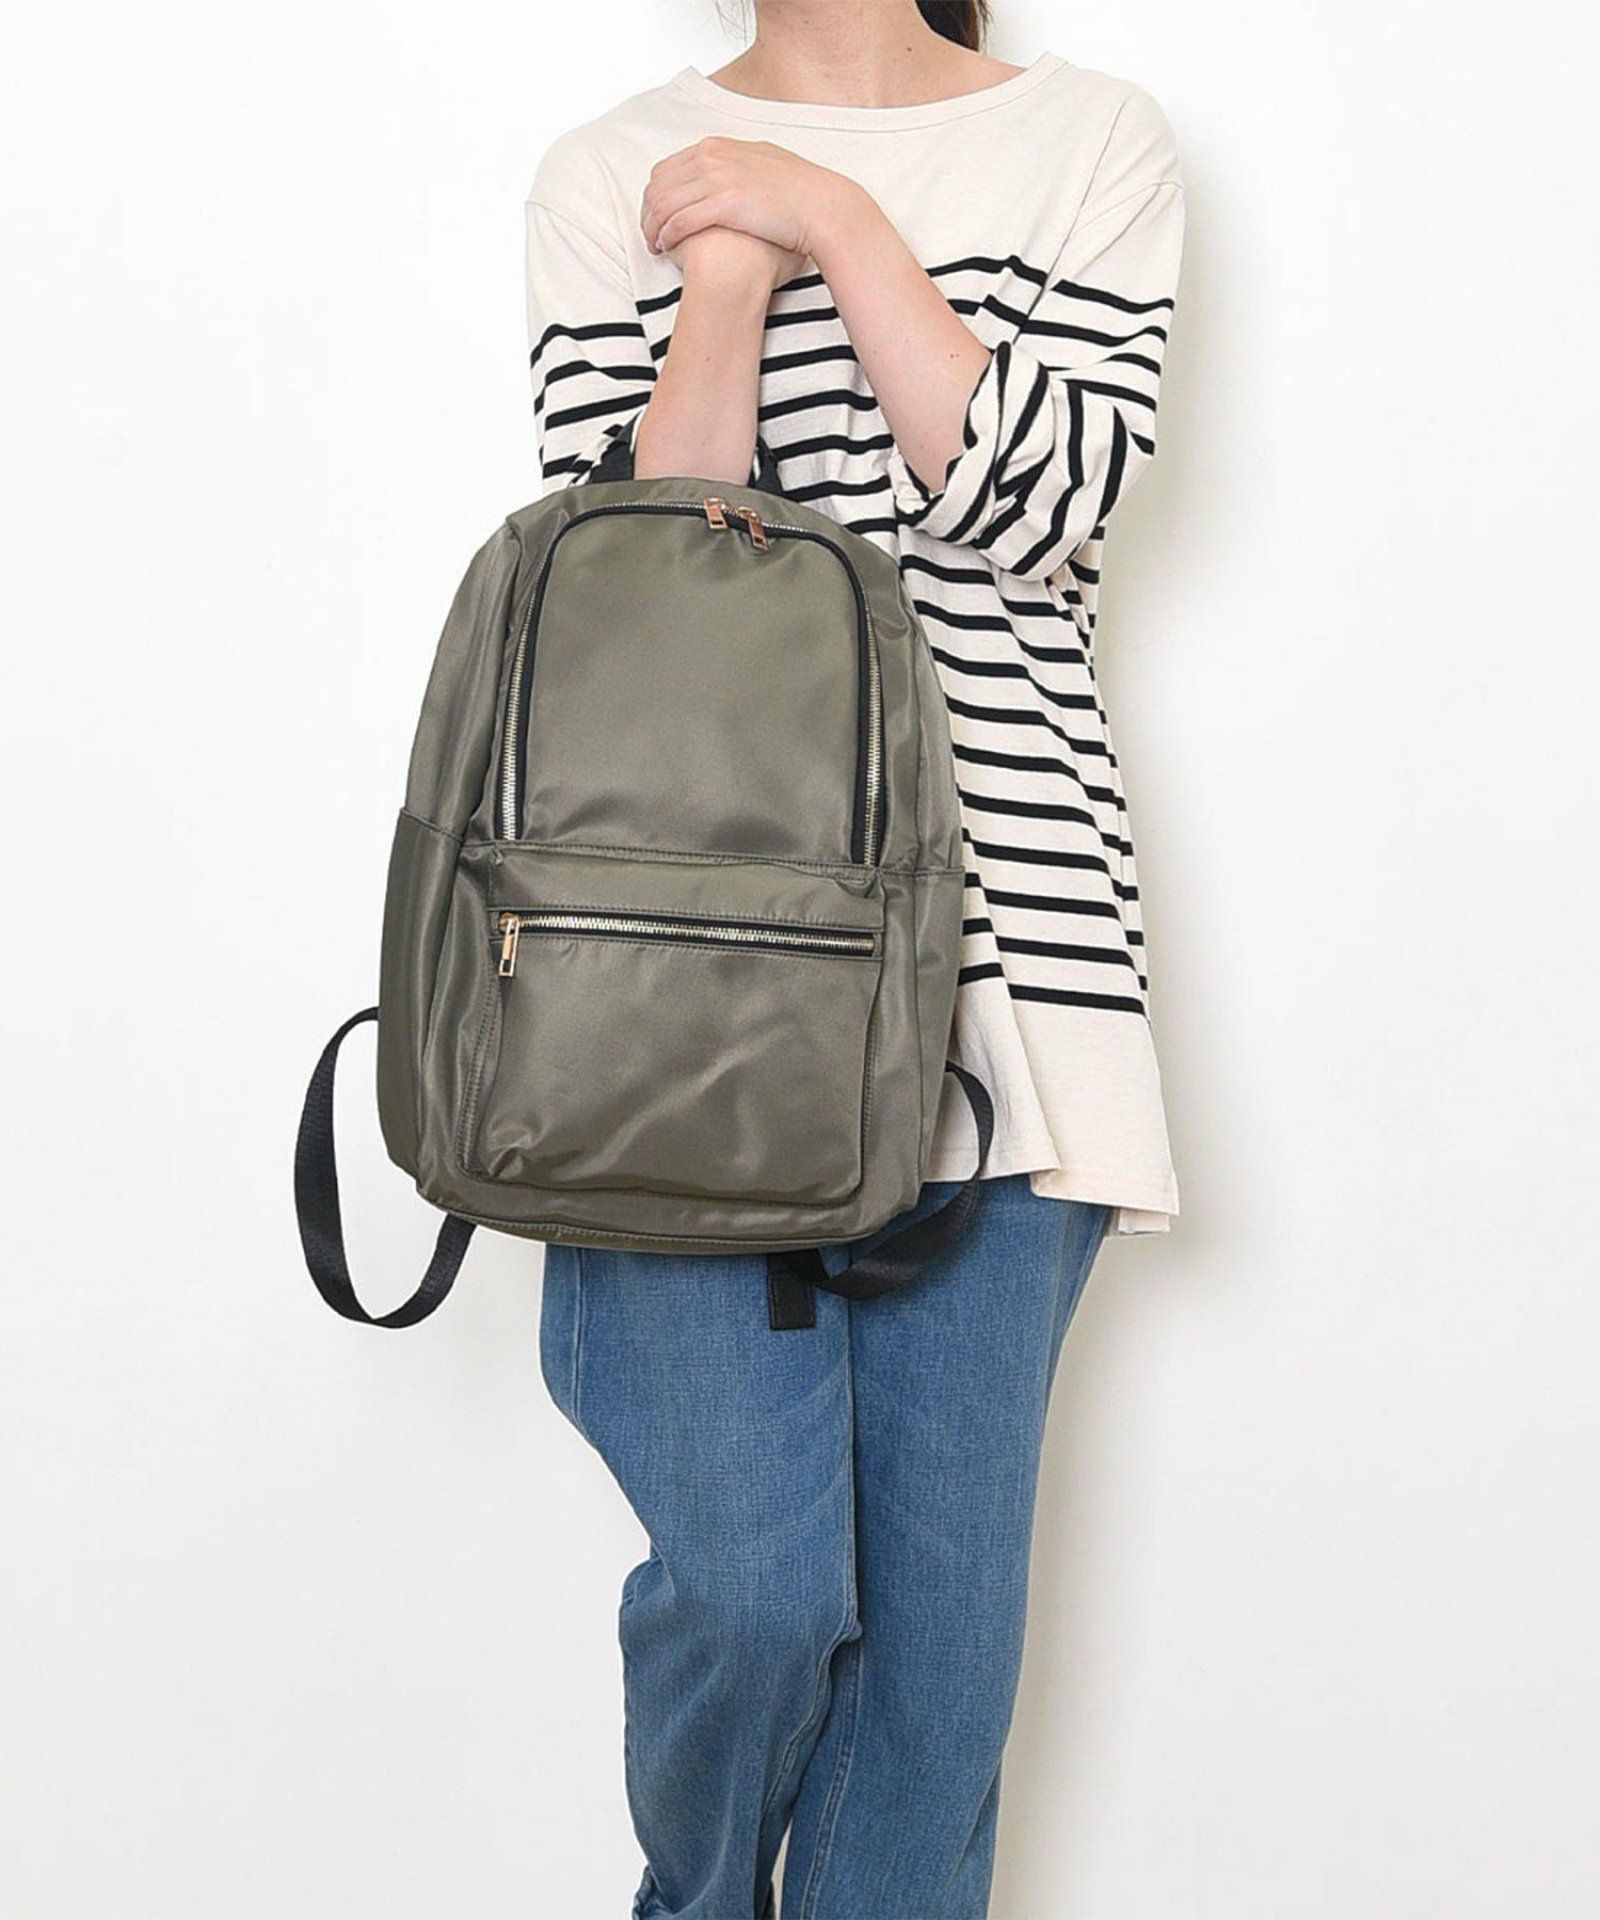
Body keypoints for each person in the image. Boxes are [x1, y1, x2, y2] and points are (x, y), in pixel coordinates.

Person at [525, 2, 1186, 1912]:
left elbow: (1048, 507)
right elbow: (636, 571)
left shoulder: (1091, 141)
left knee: (935, 1683)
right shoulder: (615, 170)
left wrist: (836, 221)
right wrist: (727, 282)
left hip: (1014, 984)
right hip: (682, 999)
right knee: (752, 1592)